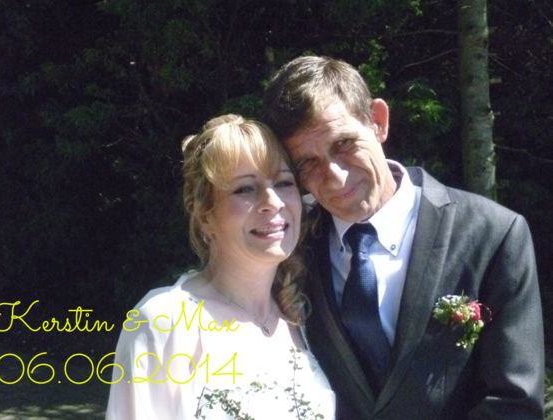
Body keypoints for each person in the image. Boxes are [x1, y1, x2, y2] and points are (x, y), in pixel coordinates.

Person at [262, 55, 545, 419]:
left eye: (344, 143)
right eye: (308, 163)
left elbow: (514, 404)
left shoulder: (493, 234)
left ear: (378, 121)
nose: (335, 176)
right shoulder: (287, 243)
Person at [105, 114, 335, 419]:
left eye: (283, 183)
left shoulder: (302, 317)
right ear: (205, 216)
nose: (273, 201)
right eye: (245, 189)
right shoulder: (165, 322)